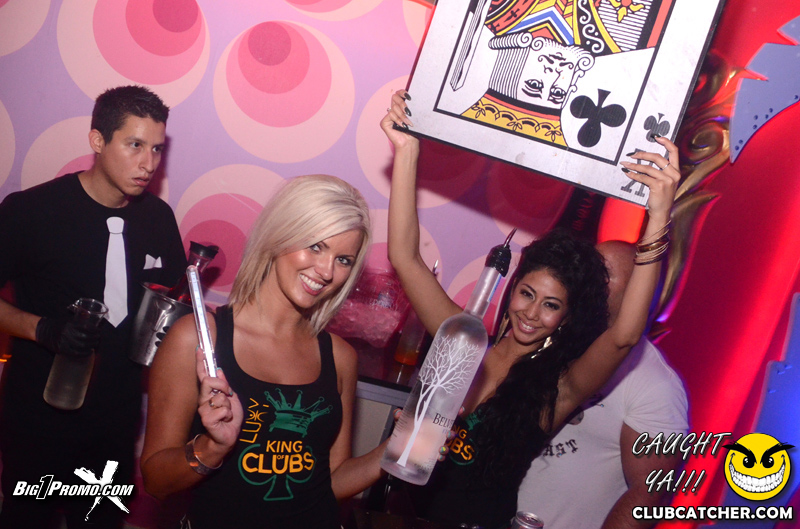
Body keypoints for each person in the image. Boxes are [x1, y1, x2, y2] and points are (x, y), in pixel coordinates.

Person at [382, 89, 680, 529]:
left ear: (566, 317)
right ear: (512, 289)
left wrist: (658, 217)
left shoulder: (558, 387)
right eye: (527, 294)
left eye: (551, 305)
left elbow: (624, 337)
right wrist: (407, 149)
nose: (532, 313)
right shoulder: (463, 339)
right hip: (402, 512)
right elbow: (406, 258)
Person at [140, 174, 386, 529]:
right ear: (279, 235)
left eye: (344, 259)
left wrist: (395, 451)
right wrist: (213, 447)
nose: (326, 271)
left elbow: (328, 483)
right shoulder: (197, 339)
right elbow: (156, 482)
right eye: (315, 246)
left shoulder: (340, 357)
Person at [0, 85, 186, 528]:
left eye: (156, 148)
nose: (148, 163)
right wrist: (43, 329)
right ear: (98, 140)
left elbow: (169, 306)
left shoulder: (158, 219)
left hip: (115, 422)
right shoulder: (31, 211)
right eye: (135, 145)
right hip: (38, 417)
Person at [517, 240, 689, 529]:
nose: (583, 278)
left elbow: (651, 492)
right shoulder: (548, 336)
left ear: (639, 289)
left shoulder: (656, 383)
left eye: (601, 273)